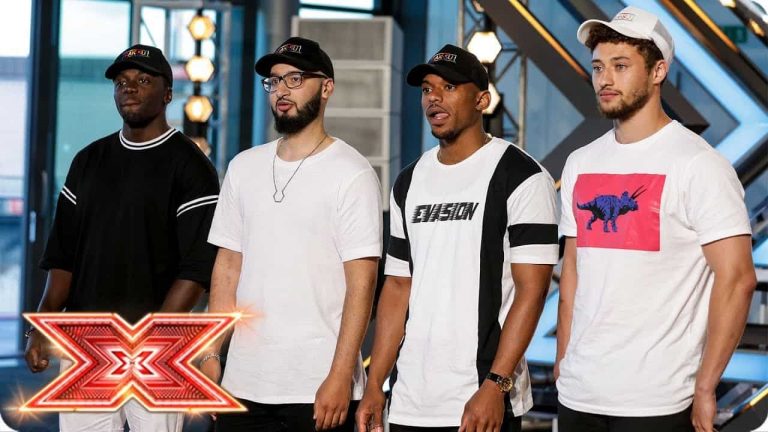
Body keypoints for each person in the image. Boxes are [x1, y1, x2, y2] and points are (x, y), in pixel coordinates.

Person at [556, 7, 757, 432]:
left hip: (658, 401)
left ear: (658, 71)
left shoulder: (698, 164)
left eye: (621, 66)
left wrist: (706, 386)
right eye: (598, 67)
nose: (605, 79)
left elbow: (738, 278)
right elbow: (573, 267)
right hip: (578, 393)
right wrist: (563, 360)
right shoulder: (580, 162)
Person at [356, 44, 559, 432]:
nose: (433, 97)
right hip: (409, 402)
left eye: (448, 87)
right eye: (427, 89)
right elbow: (397, 287)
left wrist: (496, 385)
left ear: (482, 100)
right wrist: (375, 384)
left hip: (481, 400)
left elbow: (532, 292)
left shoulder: (522, 176)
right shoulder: (408, 181)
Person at [25, 44, 220, 432]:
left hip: (157, 351)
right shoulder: (88, 160)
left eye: (143, 80)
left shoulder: (191, 166)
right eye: (121, 81)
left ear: (168, 94)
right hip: (86, 345)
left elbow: (197, 267)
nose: (129, 87)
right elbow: (62, 255)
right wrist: (41, 326)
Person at [201, 37, 382, 432]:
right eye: (274, 81)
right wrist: (211, 353)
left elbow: (362, 284)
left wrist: (340, 376)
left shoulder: (352, 173)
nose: (281, 90)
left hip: (318, 387)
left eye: (295, 79)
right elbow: (227, 267)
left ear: (326, 87)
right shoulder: (243, 167)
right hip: (243, 383)